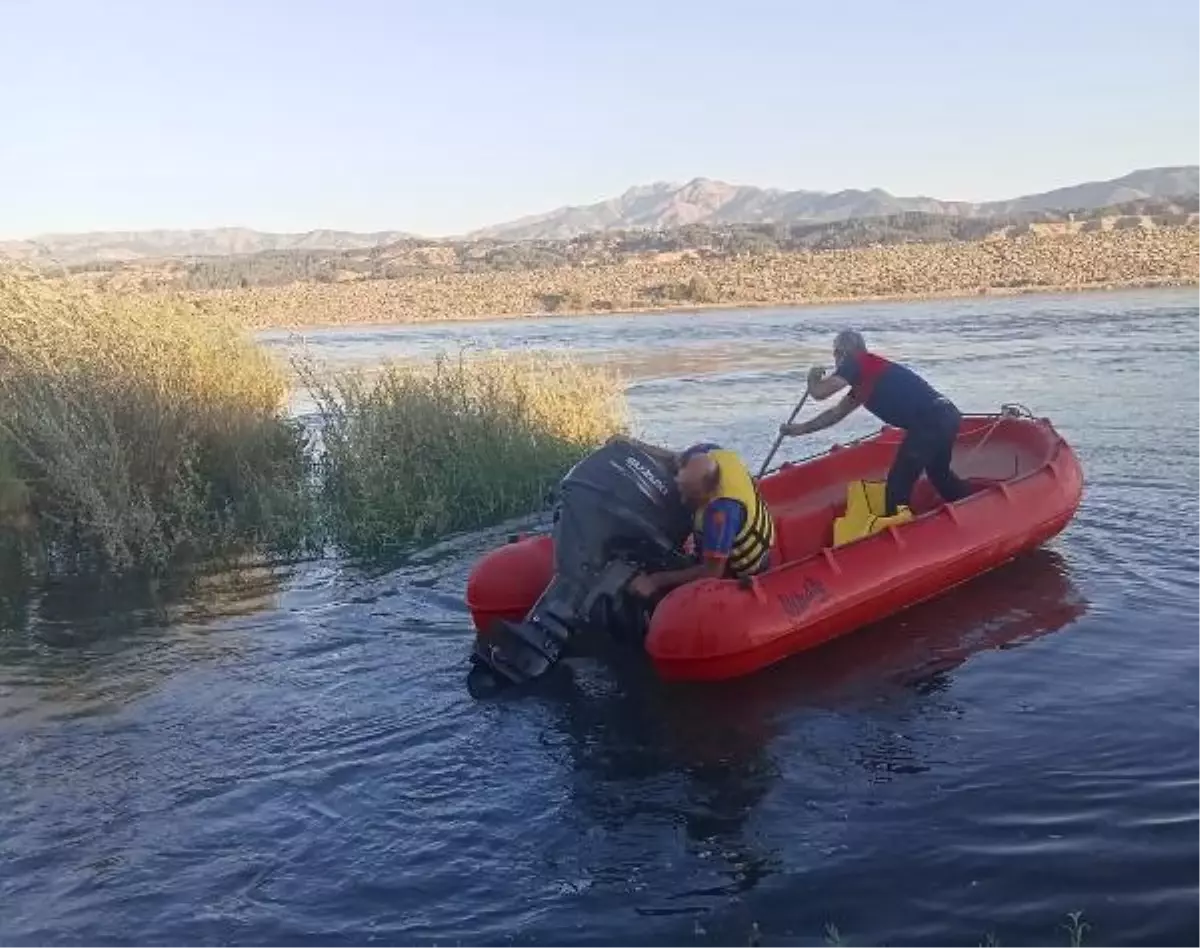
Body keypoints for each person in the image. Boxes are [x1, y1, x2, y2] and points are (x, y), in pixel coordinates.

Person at [778, 329, 971, 515]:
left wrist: (812, 379)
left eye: (835, 354)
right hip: (946, 415)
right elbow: (836, 413)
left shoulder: (856, 362)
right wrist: (800, 429)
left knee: (898, 483)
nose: (835, 360)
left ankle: (899, 533)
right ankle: (969, 506)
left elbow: (820, 393)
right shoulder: (867, 375)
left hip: (931, 420)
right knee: (939, 474)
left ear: (841, 353)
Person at [624, 441, 775, 599]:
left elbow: (712, 573)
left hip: (743, 568)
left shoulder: (720, 514)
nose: (683, 499)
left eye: (690, 495)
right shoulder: (708, 452)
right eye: (681, 488)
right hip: (728, 536)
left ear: (708, 493)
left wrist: (655, 581)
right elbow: (674, 457)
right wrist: (634, 445)